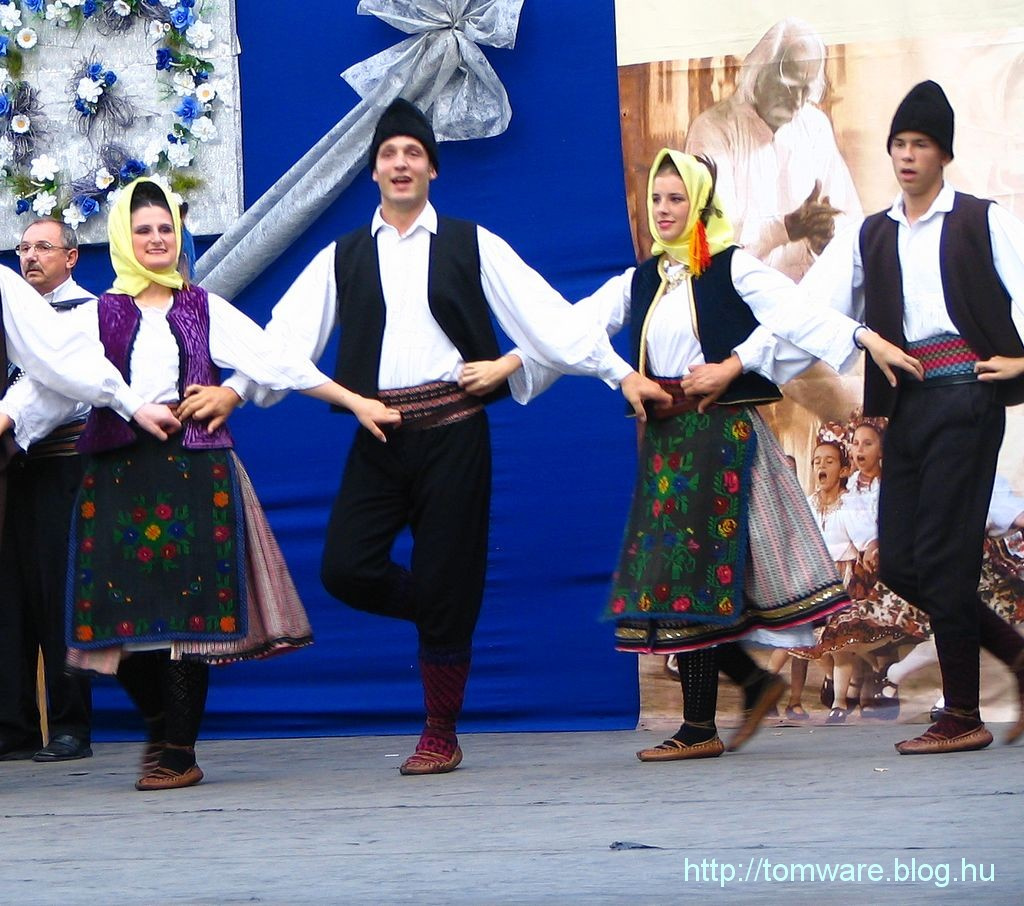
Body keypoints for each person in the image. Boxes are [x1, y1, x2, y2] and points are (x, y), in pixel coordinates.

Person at [217, 99, 665, 776]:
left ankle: (440, 731)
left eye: (413, 153)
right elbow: (284, 340)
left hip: (456, 432)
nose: (401, 164)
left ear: (433, 168)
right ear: (373, 172)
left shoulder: (468, 242)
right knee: (347, 567)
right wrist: (234, 389)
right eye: (390, 154)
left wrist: (618, 374)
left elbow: (546, 316)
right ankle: (445, 608)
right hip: (381, 428)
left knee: (449, 579)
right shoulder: (343, 257)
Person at [511, 149, 921, 760]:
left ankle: (702, 726)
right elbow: (575, 328)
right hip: (668, 441)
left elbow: (794, 312)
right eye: (657, 198)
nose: (664, 209)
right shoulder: (642, 279)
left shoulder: (732, 268)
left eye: (677, 198)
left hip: (717, 435)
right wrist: (512, 362)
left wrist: (850, 340)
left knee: (694, 575)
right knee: (679, 577)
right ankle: (749, 687)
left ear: (700, 204)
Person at [37, 177, 400, 791]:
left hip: (193, 471)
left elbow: (275, 360)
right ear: (123, 240)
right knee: (119, 627)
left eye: (166, 229)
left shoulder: (200, 306)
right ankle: (161, 720)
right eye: (144, 229)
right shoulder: (98, 314)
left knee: (187, 625)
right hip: (120, 476)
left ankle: (178, 750)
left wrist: (352, 400)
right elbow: (44, 386)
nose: (157, 239)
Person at [800, 80, 1024, 753]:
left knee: (944, 557)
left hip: (970, 397)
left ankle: (962, 713)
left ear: (943, 154)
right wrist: (861, 338)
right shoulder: (872, 233)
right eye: (899, 143)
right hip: (908, 403)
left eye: (920, 143)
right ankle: (1015, 653)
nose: (906, 155)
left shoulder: (981, 220)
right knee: (899, 561)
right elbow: (809, 308)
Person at [0, 219, 98, 762]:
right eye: (23, 248)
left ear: (72, 257)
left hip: (61, 463)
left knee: (59, 595)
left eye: (44, 247)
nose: (31, 257)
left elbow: (49, 382)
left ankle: (70, 724)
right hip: (11, 469)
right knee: (8, 597)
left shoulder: (85, 312)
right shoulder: (11, 313)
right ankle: (11, 725)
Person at [683, 17, 862, 283]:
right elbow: (714, 240)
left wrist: (827, 232)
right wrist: (785, 228)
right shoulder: (713, 129)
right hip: (739, 296)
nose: (798, 101)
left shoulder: (815, 125)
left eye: (806, 89)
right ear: (758, 73)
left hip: (812, 294)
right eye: (788, 87)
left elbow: (850, 219)